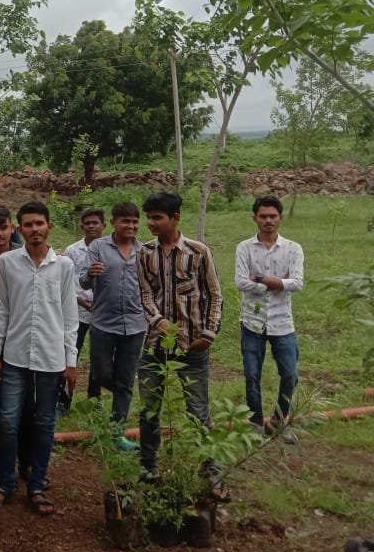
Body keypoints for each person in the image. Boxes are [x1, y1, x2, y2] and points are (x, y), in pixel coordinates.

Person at [0, 201, 77, 516]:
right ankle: (7, 482)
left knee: (45, 422)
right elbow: (3, 309)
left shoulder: (63, 266)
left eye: (39, 223)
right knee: (8, 421)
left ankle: (37, 483)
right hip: (15, 355)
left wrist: (71, 360)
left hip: (51, 357)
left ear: (49, 225)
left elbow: (69, 317)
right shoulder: (9, 263)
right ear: (17, 229)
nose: (34, 230)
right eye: (28, 225)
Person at [136, 191, 223, 482]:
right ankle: (148, 465)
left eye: (157, 218)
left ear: (175, 218)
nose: (151, 223)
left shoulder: (199, 252)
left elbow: (214, 294)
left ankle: (209, 468)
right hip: (154, 345)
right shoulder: (145, 253)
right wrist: (159, 322)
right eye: (149, 217)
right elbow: (146, 295)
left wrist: (208, 334)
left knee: (198, 410)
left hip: (193, 345)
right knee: (149, 409)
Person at [235, 195, 304, 442]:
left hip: (282, 322)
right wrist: (278, 283)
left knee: (290, 375)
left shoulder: (293, 249)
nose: (268, 221)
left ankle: (278, 420)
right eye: (263, 216)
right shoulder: (244, 247)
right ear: (255, 218)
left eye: (272, 216)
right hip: (252, 322)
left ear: (280, 218)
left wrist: (261, 280)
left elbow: (297, 283)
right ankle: (255, 423)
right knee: (252, 374)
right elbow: (241, 282)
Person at [81, 202, 146, 450]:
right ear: (114, 223)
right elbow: (84, 282)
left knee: (127, 381)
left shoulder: (145, 251)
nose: (130, 226)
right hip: (103, 324)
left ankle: (117, 432)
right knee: (101, 373)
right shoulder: (99, 247)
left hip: (136, 324)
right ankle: (120, 389)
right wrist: (90, 273)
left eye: (134, 222)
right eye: (125, 221)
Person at [59, 208, 106, 412]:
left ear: (104, 225)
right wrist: (79, 300)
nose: (91, 226)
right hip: (77, 311)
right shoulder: (72, 251)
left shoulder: (109, 249)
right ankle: (63, 399)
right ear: (82, 226)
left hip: (102, 313)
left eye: (95, 223)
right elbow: (68, 282)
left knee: (98, 357)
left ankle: (94, 399)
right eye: (87, 223)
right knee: (70, 354)